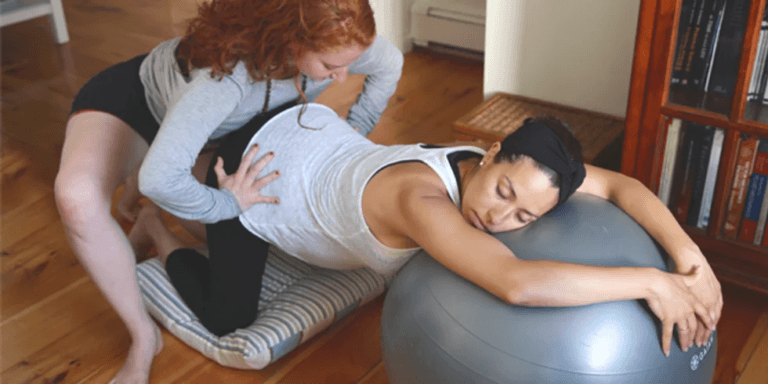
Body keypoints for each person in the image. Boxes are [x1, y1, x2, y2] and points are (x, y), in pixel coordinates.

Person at [129, 103, 724, 361]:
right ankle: (159, 225)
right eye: (503, 193)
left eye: (524, 217)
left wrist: (692, 261)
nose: (498, 218)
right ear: (491, 153)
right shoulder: (419, 197)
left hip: (316, 138)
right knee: (228, 315)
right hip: (260, 166)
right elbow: (515, 283)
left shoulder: (522, 171)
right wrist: (652, 282)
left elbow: (623, 187)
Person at [52, 0, 403, 382]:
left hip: (208, 137)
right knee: (77, 198)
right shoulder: (227, 80)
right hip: (138, 104)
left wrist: (358, 126)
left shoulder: (340, 44)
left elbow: (389, 64)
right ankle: (142, 336)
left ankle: (151, 211)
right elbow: (160, 180)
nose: (341, 77)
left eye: (347, 65)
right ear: (291, 41)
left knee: (240, 234)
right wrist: (227, 201)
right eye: (330, 67)